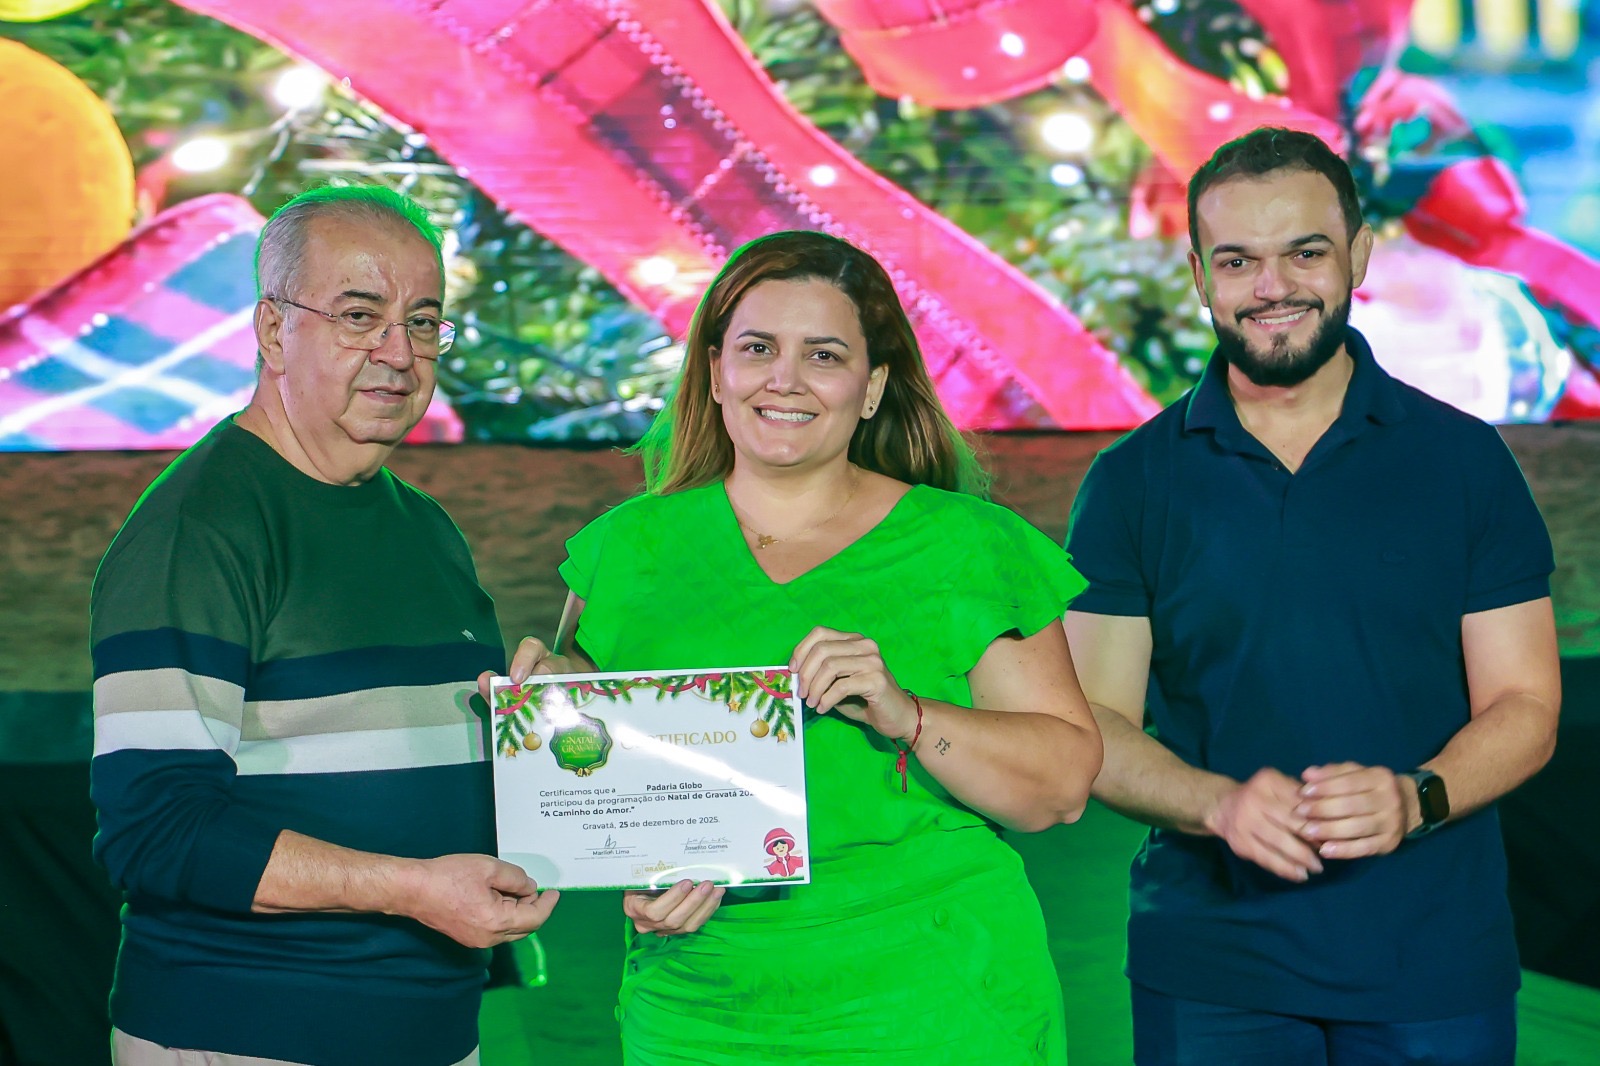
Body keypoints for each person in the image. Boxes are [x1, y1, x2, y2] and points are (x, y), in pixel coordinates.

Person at [489, 230, 1103, 1064]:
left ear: (872, 386)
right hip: (698, 1013)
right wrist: (554, 709)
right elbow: (605, 796)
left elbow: (1060, 790)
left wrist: (909, 714)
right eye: (757, 348)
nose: (784, 379)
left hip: (938, 1004)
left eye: (823, 354)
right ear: (715, 372)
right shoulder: (625, 550)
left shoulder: (972, 547)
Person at [1063, 126, 1561, 1065]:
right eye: (1238, 261)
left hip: (1434, 962)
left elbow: (1526, 704)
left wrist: (1417, 798)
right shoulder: (1132, 480)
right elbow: (1091, 722)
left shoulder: (1464, 461)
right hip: (1211, 969)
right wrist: (1216, 804)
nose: (1273, 287)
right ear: (1200, 277)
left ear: (1359, 256)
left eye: (1305, 253)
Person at [90, 186, 559, 1066]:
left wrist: (554, 725)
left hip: (434, 1031)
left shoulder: (426, 529)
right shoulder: (200, 528)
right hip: (247, 1035)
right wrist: (411, 889)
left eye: (423, 322)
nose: (399, 353)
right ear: (273, 331)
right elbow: (157, 831)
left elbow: (421, 776)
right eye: (358, 316)